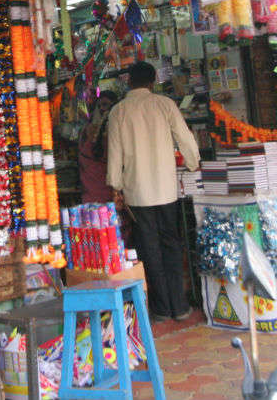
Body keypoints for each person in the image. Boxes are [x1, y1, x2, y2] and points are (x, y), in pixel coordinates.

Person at [107, 61, 200, 321]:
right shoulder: (165, 104)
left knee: (148, 248)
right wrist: (193, 163)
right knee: (171, 243)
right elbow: (185, 138)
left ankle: (160, 308)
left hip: (137, 191)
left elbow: (114, 153)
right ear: (153, 80)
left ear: (129, 82)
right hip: (166, 189)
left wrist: (115, 185)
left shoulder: (119, 111)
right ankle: (180, 307)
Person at [78, 91, 118, 203]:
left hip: (101, 194)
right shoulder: (88, 130)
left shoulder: (112, 131)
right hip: (96, 193)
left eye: (104, 105)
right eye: (99, 105)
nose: (101, 109)